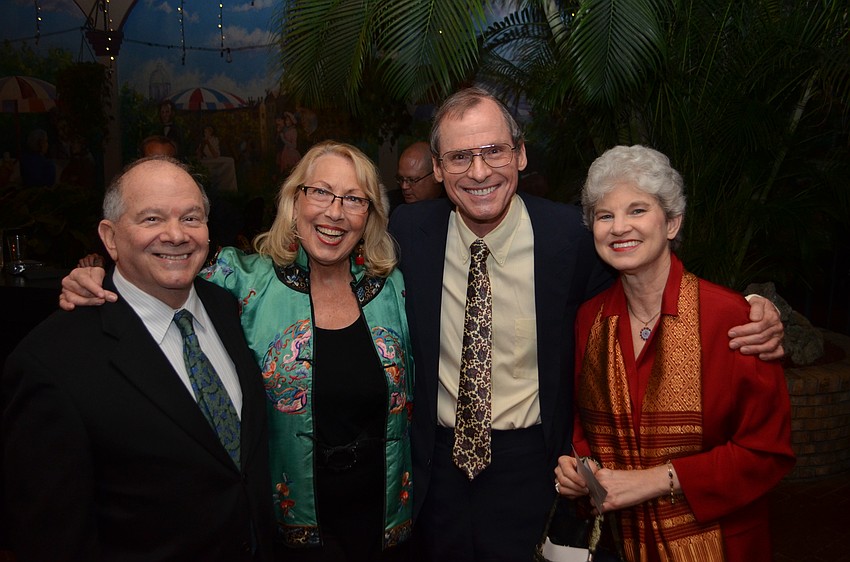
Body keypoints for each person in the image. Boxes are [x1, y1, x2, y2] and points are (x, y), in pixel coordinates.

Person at [388, 87, 784, 561]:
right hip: (437, 470)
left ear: (520, 154)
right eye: (458, 157)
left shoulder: (570, 240)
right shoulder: (408, 233)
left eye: (494, 150)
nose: (478, 171)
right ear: (436, 167)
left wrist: (755, 306)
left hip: (535, 470)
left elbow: (651, 274)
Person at [59, 141, 414, 561]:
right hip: (274, 533)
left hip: (382, 525)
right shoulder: (239, 280)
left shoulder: (391, 287)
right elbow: (161, 274)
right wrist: (97, 280)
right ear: (293, 200)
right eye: (320, 192)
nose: (335, 212)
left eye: (354, 199)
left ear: (369, 215)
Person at [2, 156, 275, 561]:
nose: (176, 235)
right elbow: (51, 538)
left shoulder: (226, 307)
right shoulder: (50, 363)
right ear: (110, 238)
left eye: (191, 218)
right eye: (151, 219)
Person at [554, 145, 794, 561]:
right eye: (604, 216)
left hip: (721, 545)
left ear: (672, 223)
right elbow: (582, 425)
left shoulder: (732, 318)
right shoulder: (589, 319)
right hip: (622, 546)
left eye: (637, 210)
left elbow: (766, 452)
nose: (619, 227)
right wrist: (581, 470)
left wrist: (656, 480)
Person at [197, 125, 238, 192]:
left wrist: (208, 144)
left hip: (214, 160)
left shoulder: (214, 139)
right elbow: (199, 154)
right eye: (204, 132)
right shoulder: (203, 141)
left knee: (229, 162)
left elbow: (215, 155)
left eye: (206, 132)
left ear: (210, 132)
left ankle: (228, 187)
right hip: (207, 161)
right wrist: (202, 146)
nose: (205, 133)